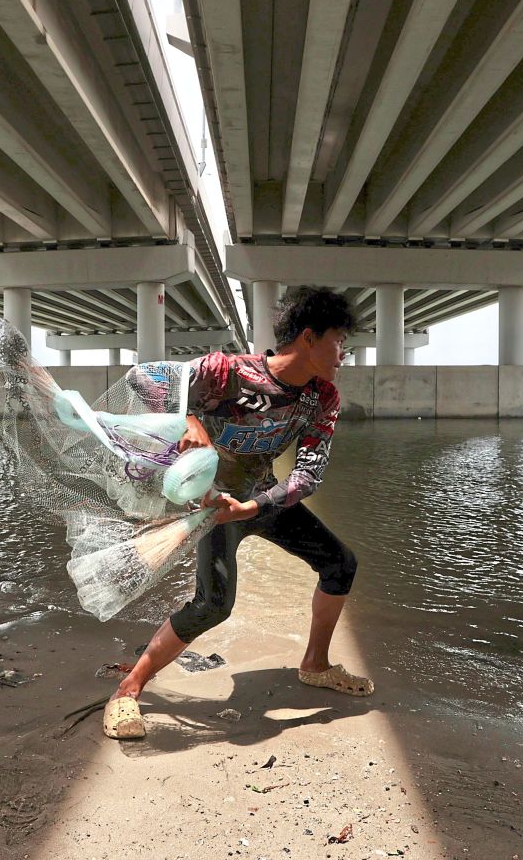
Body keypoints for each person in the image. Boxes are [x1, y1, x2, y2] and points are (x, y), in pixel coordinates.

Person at [103, 286, 373, 740]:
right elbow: (141, 380)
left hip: (260, 500)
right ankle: (127, 692)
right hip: (211, 507)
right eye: (339, 341)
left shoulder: (322, 398)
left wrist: (253, 505)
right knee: (213, 605)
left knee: (340, 563)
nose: (343, 354)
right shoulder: (226, 371)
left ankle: (315, 665)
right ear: (308, 337)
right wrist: (189, 420)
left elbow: (308, 475)